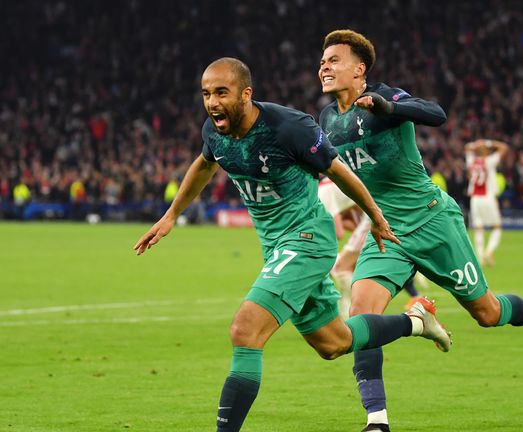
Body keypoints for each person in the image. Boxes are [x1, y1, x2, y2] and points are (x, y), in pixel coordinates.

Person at [133, 57, 452, 432]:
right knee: (333, 343)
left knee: (245, 330)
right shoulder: (214, 132)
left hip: (307, 241)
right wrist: (172, 214)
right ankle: (416, 322)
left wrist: (377, 217)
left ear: (246, 94)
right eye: (206, 94)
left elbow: (339, 171)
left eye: (222, 92)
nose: (212, 102)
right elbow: (205, 164)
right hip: (275, 247)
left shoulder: (289, 127)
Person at [317, 30, 523, 432]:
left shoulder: (387, 97)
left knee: (487, 314)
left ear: (359, 69)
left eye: (334, 60)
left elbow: (435, 113)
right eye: (322, 60)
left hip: (433, 222)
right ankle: (377, 421)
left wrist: (388, 107)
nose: (324, 66)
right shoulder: (328, 119)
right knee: (360, 316)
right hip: (387, 232)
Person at [318, 178, 420, 319]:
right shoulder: (328, 184)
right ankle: (355, 314)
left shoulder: (322, 196)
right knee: (351, 268)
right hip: (378, 210)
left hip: (373, 217)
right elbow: (353, 215)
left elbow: (339, 233)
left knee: (341, 267)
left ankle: (349, 316)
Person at [465, 139, 508, 266]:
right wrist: (488, 142)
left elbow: (467, 147)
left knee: (479, 228)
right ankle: (488, 251)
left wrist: (476, 144)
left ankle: (480, 257)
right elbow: (504, 147)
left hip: (475, 199)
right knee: (497, 227)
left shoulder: (471, 160)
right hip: (488, 197)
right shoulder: (489, 161)